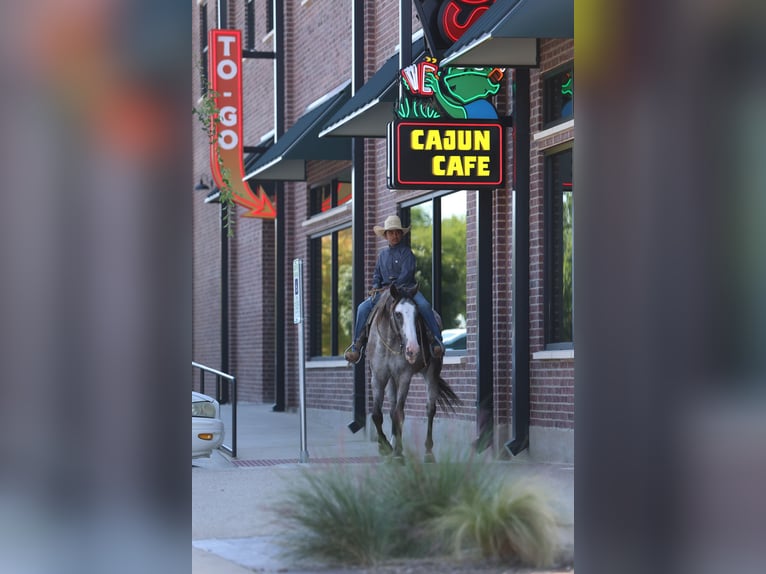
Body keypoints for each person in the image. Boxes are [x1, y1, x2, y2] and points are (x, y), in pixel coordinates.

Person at [344, 215, 445, 364]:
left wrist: (394, 287)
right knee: (362, 308)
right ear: (386, 235)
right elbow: (377, 274)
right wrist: (375, 286)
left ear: (401, 234)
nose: (395, 235)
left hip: (407, 289)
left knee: (424, 306)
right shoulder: (382, 255)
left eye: (397, 232)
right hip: (384, 292)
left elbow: (407, 274)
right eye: (391, 233)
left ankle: (436, 340)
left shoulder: (407, 253)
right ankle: (357, 345)